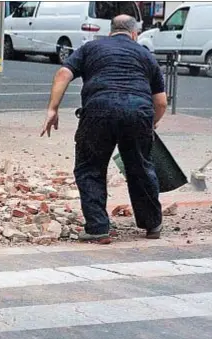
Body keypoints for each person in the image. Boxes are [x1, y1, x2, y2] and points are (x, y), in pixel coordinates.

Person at [40, 14, 168, 243]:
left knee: (90, 168)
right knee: (140, 167)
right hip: (138, 112)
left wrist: (52, 109)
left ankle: (98, 227)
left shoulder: (91, 47)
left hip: (99, 111)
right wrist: (151, 122)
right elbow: (160, 102)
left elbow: (63, 73)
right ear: (134, 34)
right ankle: (152, 224)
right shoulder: (145, 55)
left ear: (110, 31)